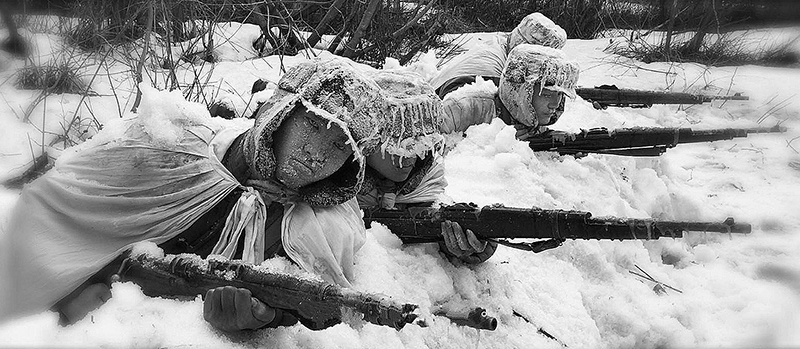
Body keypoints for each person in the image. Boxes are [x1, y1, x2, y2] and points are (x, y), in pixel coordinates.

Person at [0, 56, 388, 332]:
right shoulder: (171, 149)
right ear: (282, 112)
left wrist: (260, 320)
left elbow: (305, 302)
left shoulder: (319, 227)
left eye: (341, 147)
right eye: (316, 125)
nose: (318, 153)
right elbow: (52, 210)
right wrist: (81, 287)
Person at [359, 69, 496, 264]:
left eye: (422, 141)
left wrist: (465, 243)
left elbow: (434, 216)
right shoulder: (333, 184)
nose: (412, 154)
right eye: (399, 142)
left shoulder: (426, 181)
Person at [427, 13, 578, 141]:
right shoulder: (492, 76)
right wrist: (496, 135)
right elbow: (457, 113)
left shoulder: (500, 45)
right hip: (444, 95)